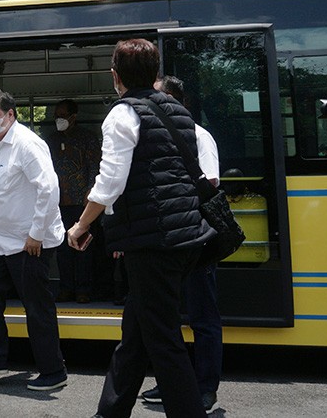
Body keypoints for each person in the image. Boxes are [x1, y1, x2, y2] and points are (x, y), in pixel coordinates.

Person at [67, 39, 214, 418]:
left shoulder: (122, 114)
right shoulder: (178, 112)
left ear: (115, 77)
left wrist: (82, 225)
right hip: (187, 236)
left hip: (153, 242)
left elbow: (110, 182)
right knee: (136, 334)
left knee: (163, 340)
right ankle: (110, 412)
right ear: (155, 74)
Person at [0, 89, 68, 392]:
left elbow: (49, 189)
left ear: (10, 115)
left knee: (36, 306)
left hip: (28, 241)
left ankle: (53, 370)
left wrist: (35, 233)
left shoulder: (27, 144)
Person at [139, 75, 222, 412]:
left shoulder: (199, 136)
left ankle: (205, 388)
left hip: (197, 238)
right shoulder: (158, 138)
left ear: (173, 101)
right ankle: (174, 381)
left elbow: (211, 181)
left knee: (202, 317)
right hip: (169, 240)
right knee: (168, 317)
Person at [44, 99, 105, 303]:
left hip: (82, 203)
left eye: (62, 115)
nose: (58, 119)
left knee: (83, 247)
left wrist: (90, 190)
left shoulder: (87, 138)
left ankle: (83, 290)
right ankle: (65, 288)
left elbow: (95, 166)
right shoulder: (50, 140)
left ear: (73, 116)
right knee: (62, 249)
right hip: (58, 203)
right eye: (56, 116)